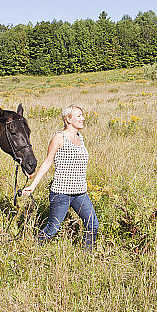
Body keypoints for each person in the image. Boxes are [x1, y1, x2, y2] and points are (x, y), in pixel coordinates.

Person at [21, 104, 98, 251]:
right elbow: (48, 162)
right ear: (69, 119)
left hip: (80, 193)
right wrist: (33, 186)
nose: (83, 118)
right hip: (61, 193)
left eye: (82, 115)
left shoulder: (80, 138)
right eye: (79, 115)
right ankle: (32, 249)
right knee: (52, 228)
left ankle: (88, 256)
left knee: (92, 224)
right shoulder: (59, 137)